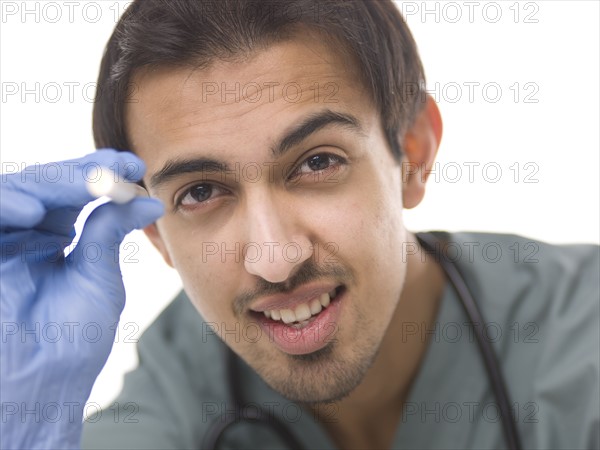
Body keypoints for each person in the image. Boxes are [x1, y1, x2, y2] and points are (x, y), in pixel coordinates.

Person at [1, 1, 598, 449]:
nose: (275, 258)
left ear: (413, 150)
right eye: (201, 191)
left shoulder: (583, 340)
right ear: (155, 234)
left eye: (318, 162)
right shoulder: (181, 389)